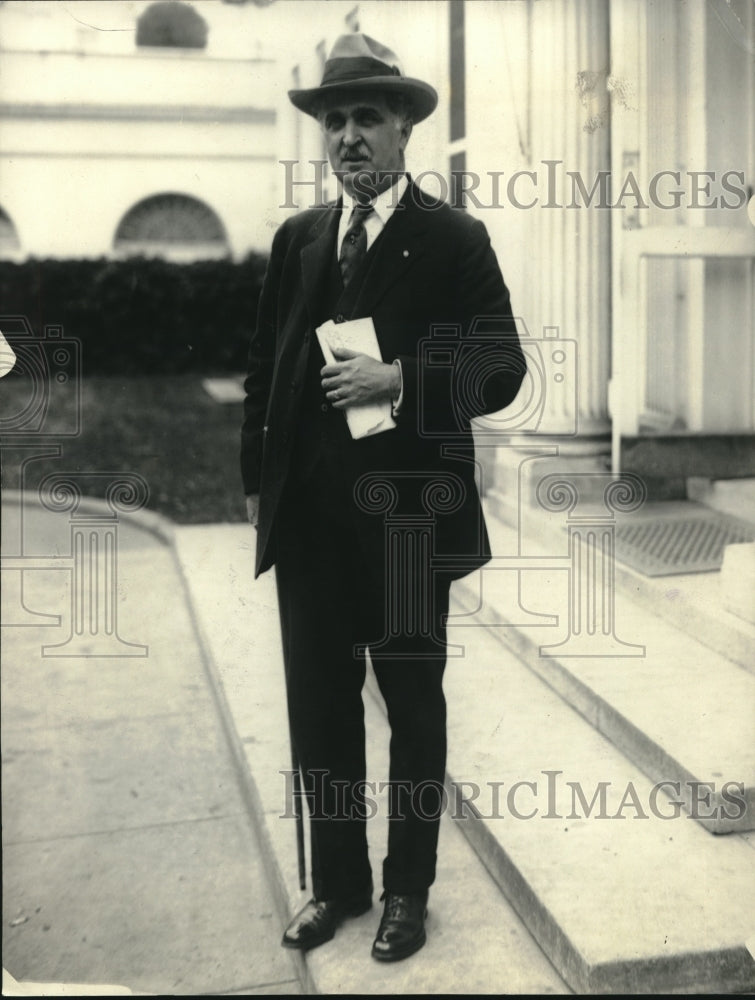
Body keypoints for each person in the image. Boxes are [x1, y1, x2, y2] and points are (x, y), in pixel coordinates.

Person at [240, 32, 526, 963]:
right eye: (334, 121)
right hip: (310, 521)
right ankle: (338, 885)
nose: (348, 137)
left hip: (407, 518)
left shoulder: (452, 238)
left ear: (404, 127)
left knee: (411, 707)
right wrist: (257, 485)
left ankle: (408, 891)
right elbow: (263, 372)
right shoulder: (299, 238)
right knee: (319, 708)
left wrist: (397, 379)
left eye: (367, 117)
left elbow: (500, 368)